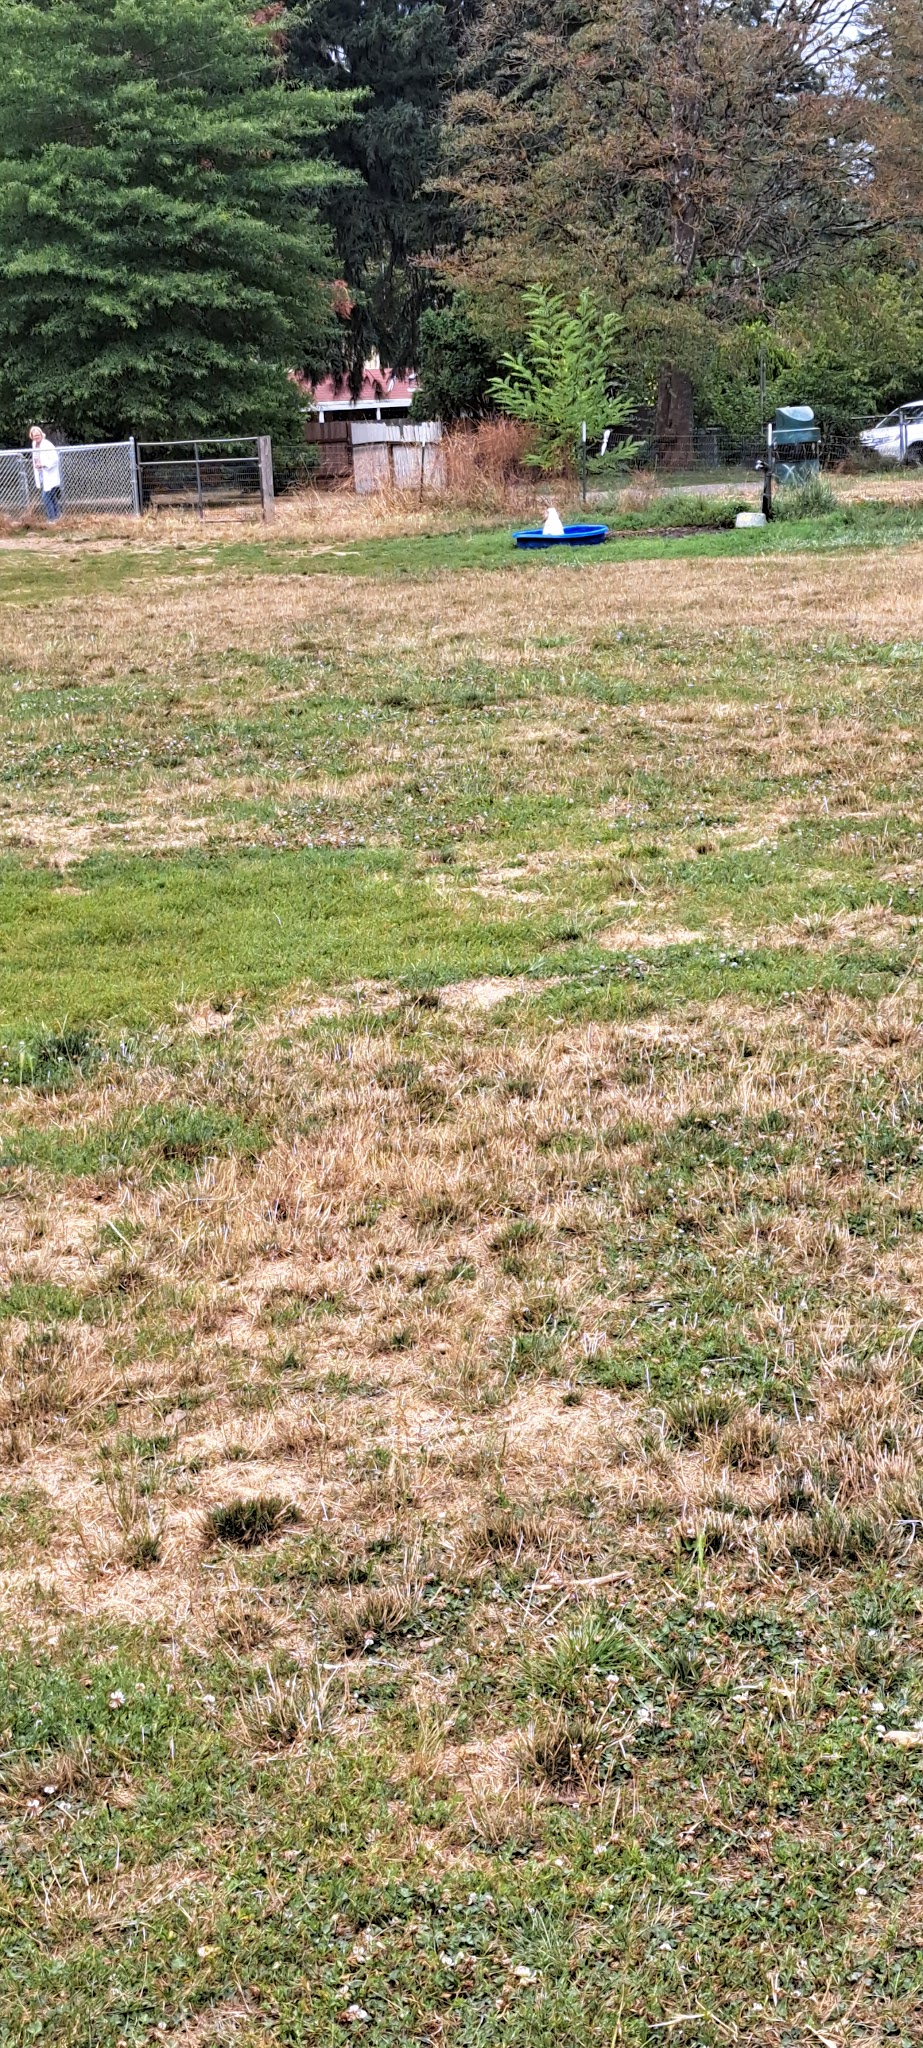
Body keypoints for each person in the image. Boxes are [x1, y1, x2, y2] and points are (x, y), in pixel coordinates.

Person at [29, 426, 63, 521]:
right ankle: (57, 516)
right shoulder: (34, 444)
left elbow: (55, 459)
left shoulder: (47, 444)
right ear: (31, 436)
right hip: (41, 474)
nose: (36, 437)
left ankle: (51, 519)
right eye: (34, 435)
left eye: (38, 435)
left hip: (50, 473)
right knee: (51, 496)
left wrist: (43, 464)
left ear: (41, 434)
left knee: (46, 497)